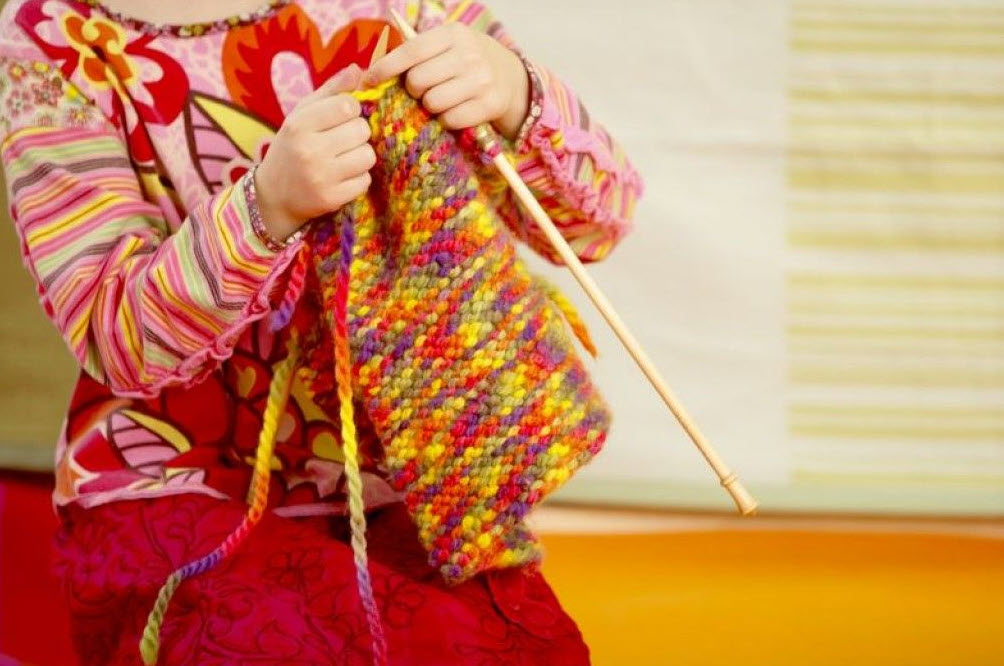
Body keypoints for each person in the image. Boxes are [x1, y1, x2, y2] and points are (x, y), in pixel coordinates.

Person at [0, 0, 645, 663]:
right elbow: (117, 337)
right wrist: (266, 207)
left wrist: (513, 91)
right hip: (171, 486)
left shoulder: (401, 8)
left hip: (409, 484)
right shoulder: (50, 43)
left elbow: (598, 221)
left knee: (508, 648)